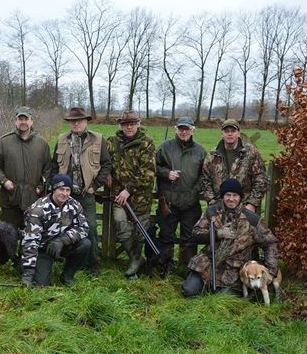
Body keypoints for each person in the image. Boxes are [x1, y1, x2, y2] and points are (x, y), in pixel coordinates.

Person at [181, 179, 279, 297]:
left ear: (240, 197)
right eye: (227, 195)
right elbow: (195, 234)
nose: (231, 199)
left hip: (234, 271)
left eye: (235, 195)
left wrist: (270, 272)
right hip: (208, 265)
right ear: (223, 196)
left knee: (222, 299)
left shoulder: (252, 219)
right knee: (188, 291)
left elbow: (270, 243)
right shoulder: (212, 212)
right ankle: (203, 284)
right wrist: (217, 234)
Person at [50, 106, 112, 277]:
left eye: (79, 120)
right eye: (72, 121)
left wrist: (96, 185)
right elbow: (54, 165)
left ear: (86, 121)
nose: (75, 123)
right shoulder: (62, 139)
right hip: (66, 195)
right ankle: (69, 260)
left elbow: (107, 164)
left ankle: (93, 264)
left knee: (90, 227)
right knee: (65, 226)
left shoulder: (98, 139)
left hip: (86, 194)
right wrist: (57, 187)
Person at [152, 117, 207, 273]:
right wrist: (166, 173)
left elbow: (205, 175)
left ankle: (187, 269)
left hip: (191, 203)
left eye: (187, 129)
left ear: (193, 130)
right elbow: (152, 167)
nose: (184, 132)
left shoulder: (200, 151)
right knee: (165, 236)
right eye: (181, 129)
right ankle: (164, 266)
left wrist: (195, 190)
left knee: (189, 239)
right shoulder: (164, 148)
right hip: (168, 202)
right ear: (176, 129)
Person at [105, 110, 155, 279]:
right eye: (126, 124)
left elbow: (147, 172)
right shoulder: (112, 142)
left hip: (141, 198)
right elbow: (104, 162)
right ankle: (135, 259)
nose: (129, 127)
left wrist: (129, 189)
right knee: (121, 225)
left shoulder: (146, 143)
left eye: (132, 124)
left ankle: (137, 261)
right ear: (121, 126)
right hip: (119, 197)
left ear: (138, 125)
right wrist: (107, 173)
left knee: (141, 231)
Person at [21, 174, 91, 286]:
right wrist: (28, 274)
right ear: (53, 189)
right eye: (61, 189)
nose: (65, 193)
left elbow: (83, 228)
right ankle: (26, 268)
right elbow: (30, 242)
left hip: (62, 244)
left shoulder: (74, 205)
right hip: (42, 248)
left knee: (85, 244)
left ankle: (67, 276)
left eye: (68, 190)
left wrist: (63, 240)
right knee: (41, 284)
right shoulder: (38, 210)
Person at [0, 106, 51, 232]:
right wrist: (4, 181)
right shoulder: (4, 142)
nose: (23, 122)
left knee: (30, 235)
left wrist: (40, 186)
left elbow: (48, 169)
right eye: (20, 119)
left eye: (26, 118)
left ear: (31, 121)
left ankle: (25, 252)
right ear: (15, 121)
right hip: (10, 199)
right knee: (6, 236)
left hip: (33, 199)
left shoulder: (42, 144)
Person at [201, 119, 268, 213]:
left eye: (233, 131)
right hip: (220, 210)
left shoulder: (251, 153)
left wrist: (252, 203)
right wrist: (212, 202)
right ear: (222, 134)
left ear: (238, 133)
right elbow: (205, 181)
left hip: (244, 208)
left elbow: (261, 179)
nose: (230, 134)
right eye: (226, 131)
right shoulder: (212, 155)